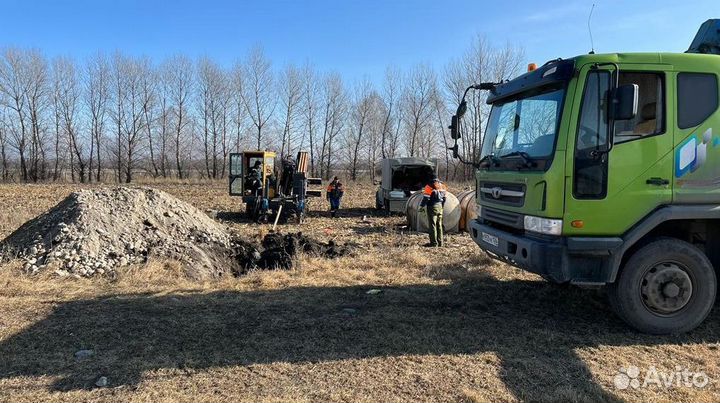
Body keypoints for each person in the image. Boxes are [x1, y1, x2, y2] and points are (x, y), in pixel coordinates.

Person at [420, 177, 446, 247]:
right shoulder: (442, 185)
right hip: (440, 206)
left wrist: (421, 206)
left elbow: (426, 198)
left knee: (432, 225)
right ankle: (440, 243)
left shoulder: (429, 186)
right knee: (439, 225)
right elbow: (444, 198)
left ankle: (434, 243)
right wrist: (442, 207)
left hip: (432, 207)